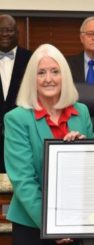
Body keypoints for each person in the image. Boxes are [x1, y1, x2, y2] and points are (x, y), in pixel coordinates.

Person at [4, 43, 94, 245]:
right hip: (33, 225)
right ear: (31, 79)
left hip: (77, 222)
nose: (48, 79)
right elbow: (23, 181)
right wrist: (52, 225)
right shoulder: (17, 119)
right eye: (41, 73)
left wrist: (85, 147)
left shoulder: (82, 112)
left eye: (55, 71)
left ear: (65, 76)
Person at [0, 14, 32, 173]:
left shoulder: (32, 59)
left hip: (22, 138)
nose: (4, 34)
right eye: (1, 30)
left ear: (18, 34)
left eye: (9, 30)